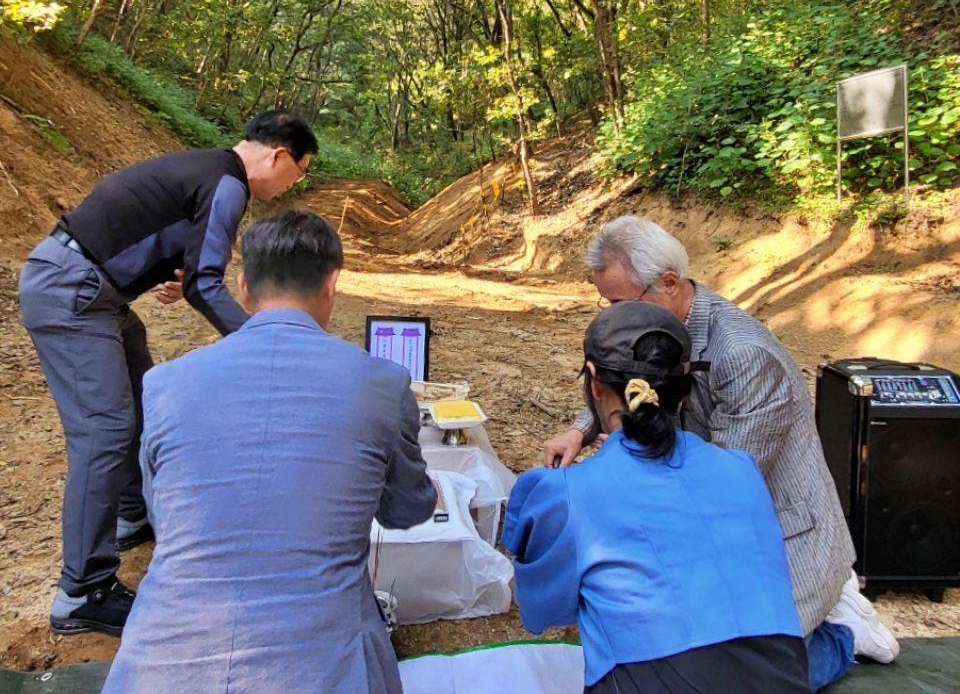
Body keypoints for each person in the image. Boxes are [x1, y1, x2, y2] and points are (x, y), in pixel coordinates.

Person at [543, 215, 899, 690]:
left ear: (668, 283)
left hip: (779, 529)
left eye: (620, 304)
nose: (612, 318)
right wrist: (581, 429)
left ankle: (843, 631)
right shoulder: (658, 327)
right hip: (703, 516)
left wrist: (632, 462)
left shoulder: (743, 353)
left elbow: (731, 480)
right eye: (605, 305)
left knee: (747, 673)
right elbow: (624, 380)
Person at [102, 210, 436, 693]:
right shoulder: (381, 384)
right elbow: (408, 510)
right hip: (326, 663)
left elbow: (165, 515)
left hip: (158, 663)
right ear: (332, 284)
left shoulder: (163, 385)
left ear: (241, 286)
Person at [18, 110, 318, 637]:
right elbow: (207, 283)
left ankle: (132, 515)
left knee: (142, 403)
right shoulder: (228, 184)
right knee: (105, 432)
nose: (292, 184)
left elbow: (181, 256)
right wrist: (266, 342)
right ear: (278, 155)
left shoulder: (210, 172)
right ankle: (83, 591)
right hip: (73, 292)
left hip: (92, 289)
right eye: (299, 172)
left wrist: (176, 273)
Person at [506, 301, 810, 693]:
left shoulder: (567, 492)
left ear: (594, 381)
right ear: (684, 393)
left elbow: (540, 610)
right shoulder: (741, 470)